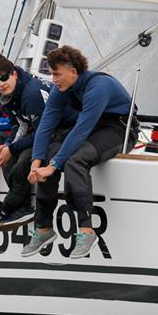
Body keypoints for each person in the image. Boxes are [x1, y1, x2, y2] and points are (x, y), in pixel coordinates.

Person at [23, 45, 138, 259]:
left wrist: (54, 166)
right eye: (51, 74)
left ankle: (86, 230)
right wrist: (36, 164)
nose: (53, 79)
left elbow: (81, 129)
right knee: (50, 155)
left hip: (119, 129)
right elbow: (45, 126)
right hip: (93, 128)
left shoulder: (99, 87)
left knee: (75, 161)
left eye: (57, 74)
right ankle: (43, 228)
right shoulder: (61, 90)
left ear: (73, 72)